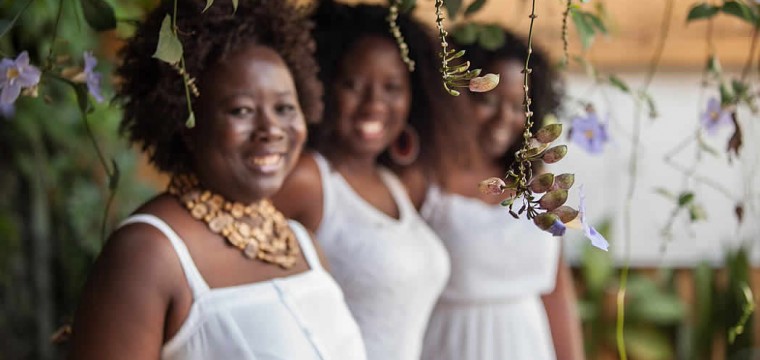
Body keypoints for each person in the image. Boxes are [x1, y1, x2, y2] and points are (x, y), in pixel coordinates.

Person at [66, 1, 366, 359]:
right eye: (241, 110)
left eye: (284, 108)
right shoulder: (149, 252)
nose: (271, 129)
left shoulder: (301, 244)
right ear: (187, 125)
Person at [271, 2, 467, 359]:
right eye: (353, 84)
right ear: (321, 85)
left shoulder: (394, 183)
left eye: (392, 87)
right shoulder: (309, 179)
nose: (374, 103)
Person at [399, 26, 585, 360]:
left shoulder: (535, 181)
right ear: (453, 94)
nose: (504, 118)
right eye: (488, 100)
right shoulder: (422, 180)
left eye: (518, 107)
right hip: (448, 346)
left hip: (530, 345)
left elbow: (557, 293)